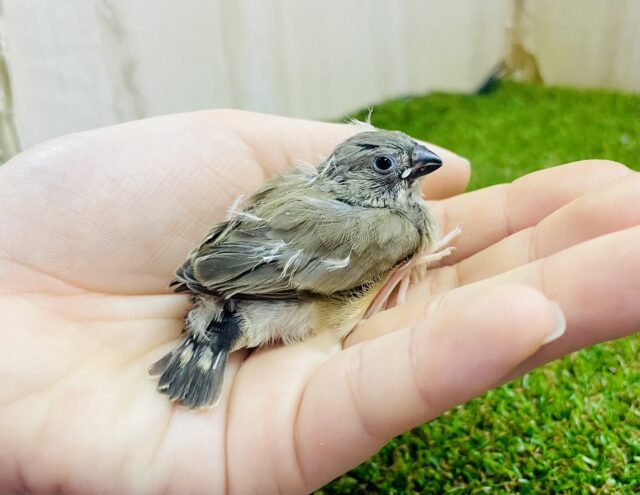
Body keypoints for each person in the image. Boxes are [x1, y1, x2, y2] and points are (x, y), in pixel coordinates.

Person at [0, 110, 637, 494]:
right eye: (390, 165)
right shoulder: (387, 230)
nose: (413, 170)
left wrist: (200, 281)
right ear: (361, 175)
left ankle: (209, 334)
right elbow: (313, 283)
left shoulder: (298, 190)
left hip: (218, 282)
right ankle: (213, 341)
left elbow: (239, 244)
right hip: (265, 306)